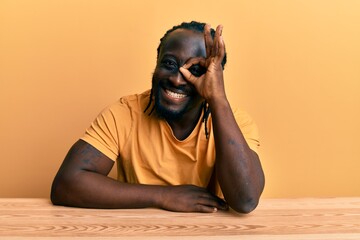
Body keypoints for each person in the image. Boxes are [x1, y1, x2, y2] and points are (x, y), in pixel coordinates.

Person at [51, 21, 265, 214]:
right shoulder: (125, 113)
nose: (177, 79)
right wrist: (164, 196)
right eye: (169, 64)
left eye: (196, 70)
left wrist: (218, 99)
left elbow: (245, 201)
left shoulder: (234, 121)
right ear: (156, 64)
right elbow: (67, 184)